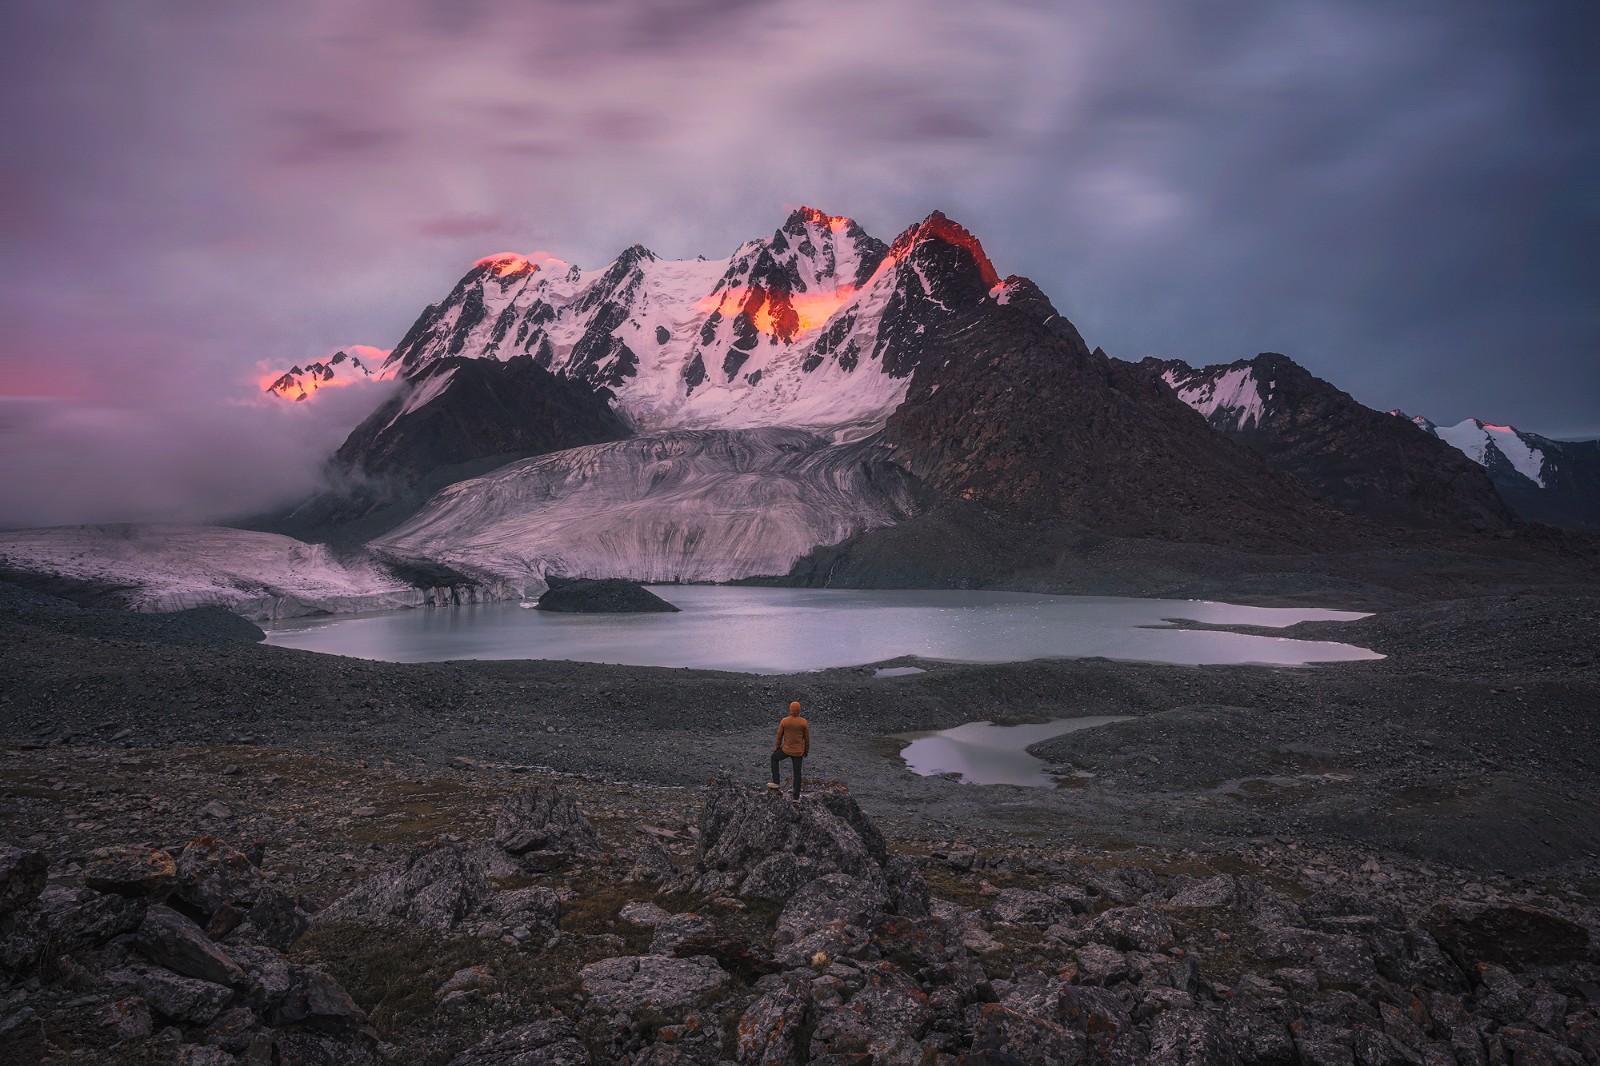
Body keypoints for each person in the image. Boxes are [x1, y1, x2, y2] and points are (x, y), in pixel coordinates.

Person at [769, 700, 809, 799]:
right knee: (797, 773)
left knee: (774, 758)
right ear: (799, 710)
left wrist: (777, 747)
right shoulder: (803, 722)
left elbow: (779, 736)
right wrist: (806, 751)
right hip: (798, 752)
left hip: (786, 750)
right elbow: (807, 739)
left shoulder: (784, 721)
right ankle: (796, 797)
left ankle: (776, 782)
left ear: (790, 710)